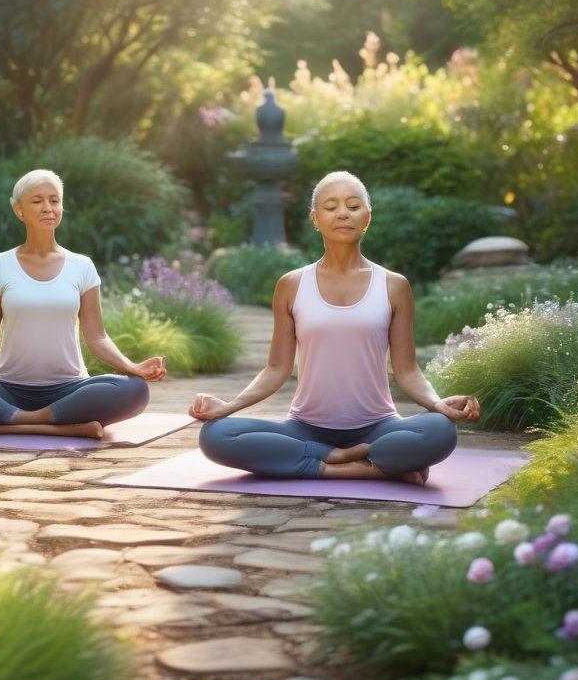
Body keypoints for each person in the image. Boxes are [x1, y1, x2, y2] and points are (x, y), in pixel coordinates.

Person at [191, 170, 480, 484]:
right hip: (305, 428)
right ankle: (349, 464)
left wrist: (437, 404)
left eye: (353, 206)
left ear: (366, 218)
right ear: (315, 219)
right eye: (331, 207)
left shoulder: (394, 286)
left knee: (440, 431)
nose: (343, 212)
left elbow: (408, 370)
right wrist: (229, 406)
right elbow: (276, 368)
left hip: (378, 427)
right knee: (217, 435)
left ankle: (319, 462)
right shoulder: (291, 285)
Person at [0, 168, 166, 437]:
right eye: (37, 201)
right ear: (19, 210)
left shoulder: (82, 266)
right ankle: (59, 427)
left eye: (54, 201)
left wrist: (132, 367)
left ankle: (12, 423)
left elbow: (97, 337)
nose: (48, 208)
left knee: (134, 389)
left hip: (69, 389)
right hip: (6, 388)